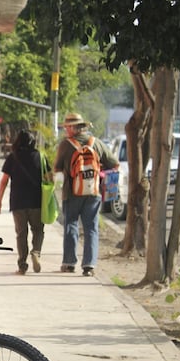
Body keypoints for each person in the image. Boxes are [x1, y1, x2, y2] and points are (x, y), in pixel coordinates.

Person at [53, 113, 119, 277]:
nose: (65, 130)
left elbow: (57, 168)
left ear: (74, 128)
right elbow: (114, 164)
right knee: (91, 228)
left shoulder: (65, 145)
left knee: (71, 226)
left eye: (67, 127)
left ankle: (69, 263)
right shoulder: (96, 143)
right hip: (93, 192)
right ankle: (89, 265)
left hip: (72, 192)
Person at [0, 129, 49, 275]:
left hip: (18, 202)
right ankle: (36, 252)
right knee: (38, 230)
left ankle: (22, 265)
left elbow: (4, 181)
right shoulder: (40, 156)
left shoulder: (13, 157)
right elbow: (49, 178)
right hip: (36, 201)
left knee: (21, 233)